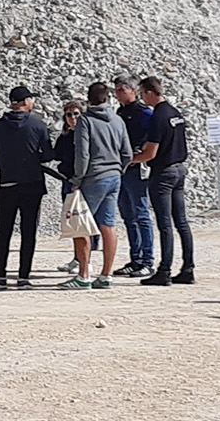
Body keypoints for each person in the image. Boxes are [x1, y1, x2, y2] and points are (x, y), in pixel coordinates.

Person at [59, 81, 128, 291]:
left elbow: (83, 154)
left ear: (88, 98)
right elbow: (127, 153)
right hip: (114, 176)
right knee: (107, 225)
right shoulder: (118, 120)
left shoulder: (86, 121)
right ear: (108, 98)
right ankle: (106, 274)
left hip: (92, 177)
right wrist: (118, 170)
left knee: (82, 224)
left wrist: (77, 179)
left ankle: (84, 275)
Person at [0, 83, 52, 287]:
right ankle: (23, 276)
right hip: (32, 183)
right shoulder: (38, 126)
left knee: (3, 230)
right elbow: (48, 155)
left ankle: (0, 275)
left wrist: (8, 165)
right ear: (26, 102)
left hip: (6, 183)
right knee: (28, 231)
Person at [137, 76, 194, 286]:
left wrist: (132, 160)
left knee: (165, 224)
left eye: (142, 93)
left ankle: (165, 270)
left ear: (150, 92)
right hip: (179, 168)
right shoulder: (175, 113)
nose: (141, 98)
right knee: (181, 221)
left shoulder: (158, 117)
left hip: (163, 172)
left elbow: (151, 152)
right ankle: (188, 267)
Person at [114, 77, 156, 277]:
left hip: (136, 169)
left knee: (140, 214)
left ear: (133, 91)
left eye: (122, 89)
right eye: (116, 90)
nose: (118, 93)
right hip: (121, 169)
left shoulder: (144, 113)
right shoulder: (120, 112)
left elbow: (153, 137)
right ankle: (135, 258)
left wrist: (138, 155)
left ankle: (148, 260)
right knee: (128, 216)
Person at [52, 99, 91, 273]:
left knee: (84, 220)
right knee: (72, 219)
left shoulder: (86, 134)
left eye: (76, 113)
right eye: (69, 114)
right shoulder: (64, 137)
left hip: (83, 182)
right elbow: (56, 154)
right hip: (67, 181)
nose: (73, 117)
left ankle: (86, 260)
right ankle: (77, 258)